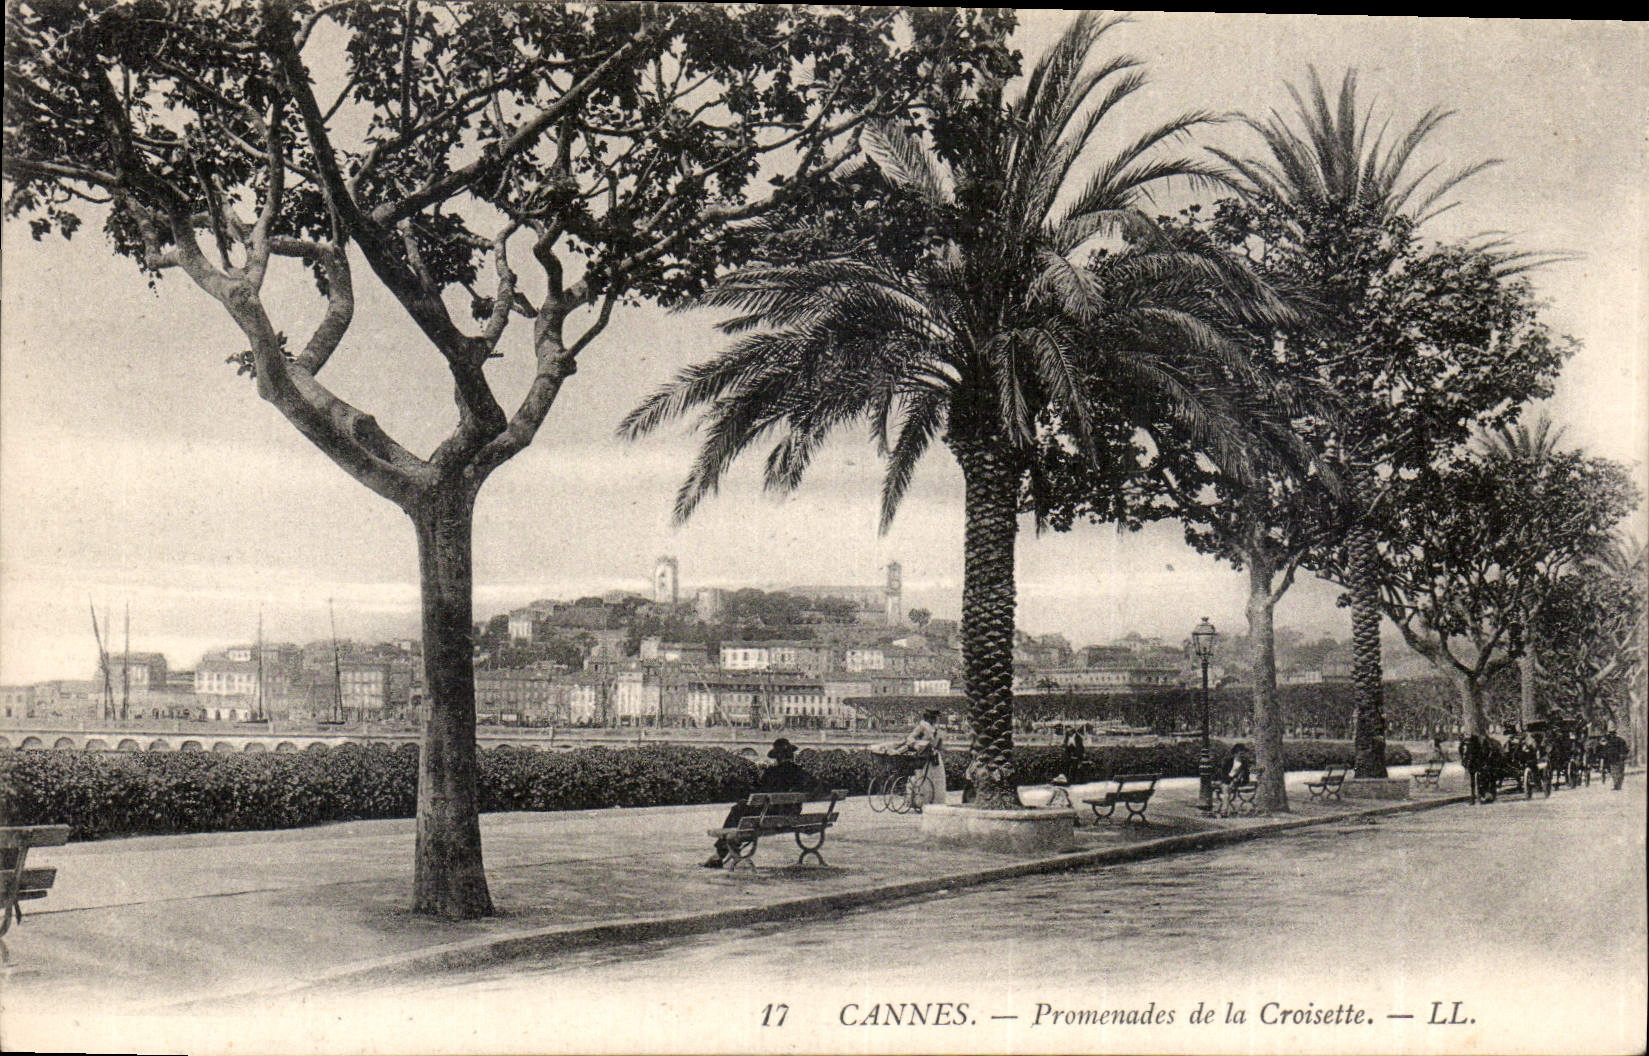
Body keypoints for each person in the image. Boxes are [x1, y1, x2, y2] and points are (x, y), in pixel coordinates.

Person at [705, 737, 815, 867]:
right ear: (791, 754)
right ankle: (721, 853)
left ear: (777, 757)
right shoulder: (799, 772)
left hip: (768, 815)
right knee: (742, 811)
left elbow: (758, 794)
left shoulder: (772, 772)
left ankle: (720, 854)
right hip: (790, 814)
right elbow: (817, 785)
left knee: (737, 810)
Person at [898, 707, 948, 809]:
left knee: (936, 778)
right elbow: (910, 738)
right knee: (925, 778)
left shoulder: (935, 729)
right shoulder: (922, 727)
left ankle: (934, 801)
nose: (935, 720)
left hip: (933, 756)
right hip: (924, 756)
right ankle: (923, 801)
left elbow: (938, 744)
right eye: (934, 718)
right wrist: (918, 745)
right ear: (929, 718)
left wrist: (941, 746)